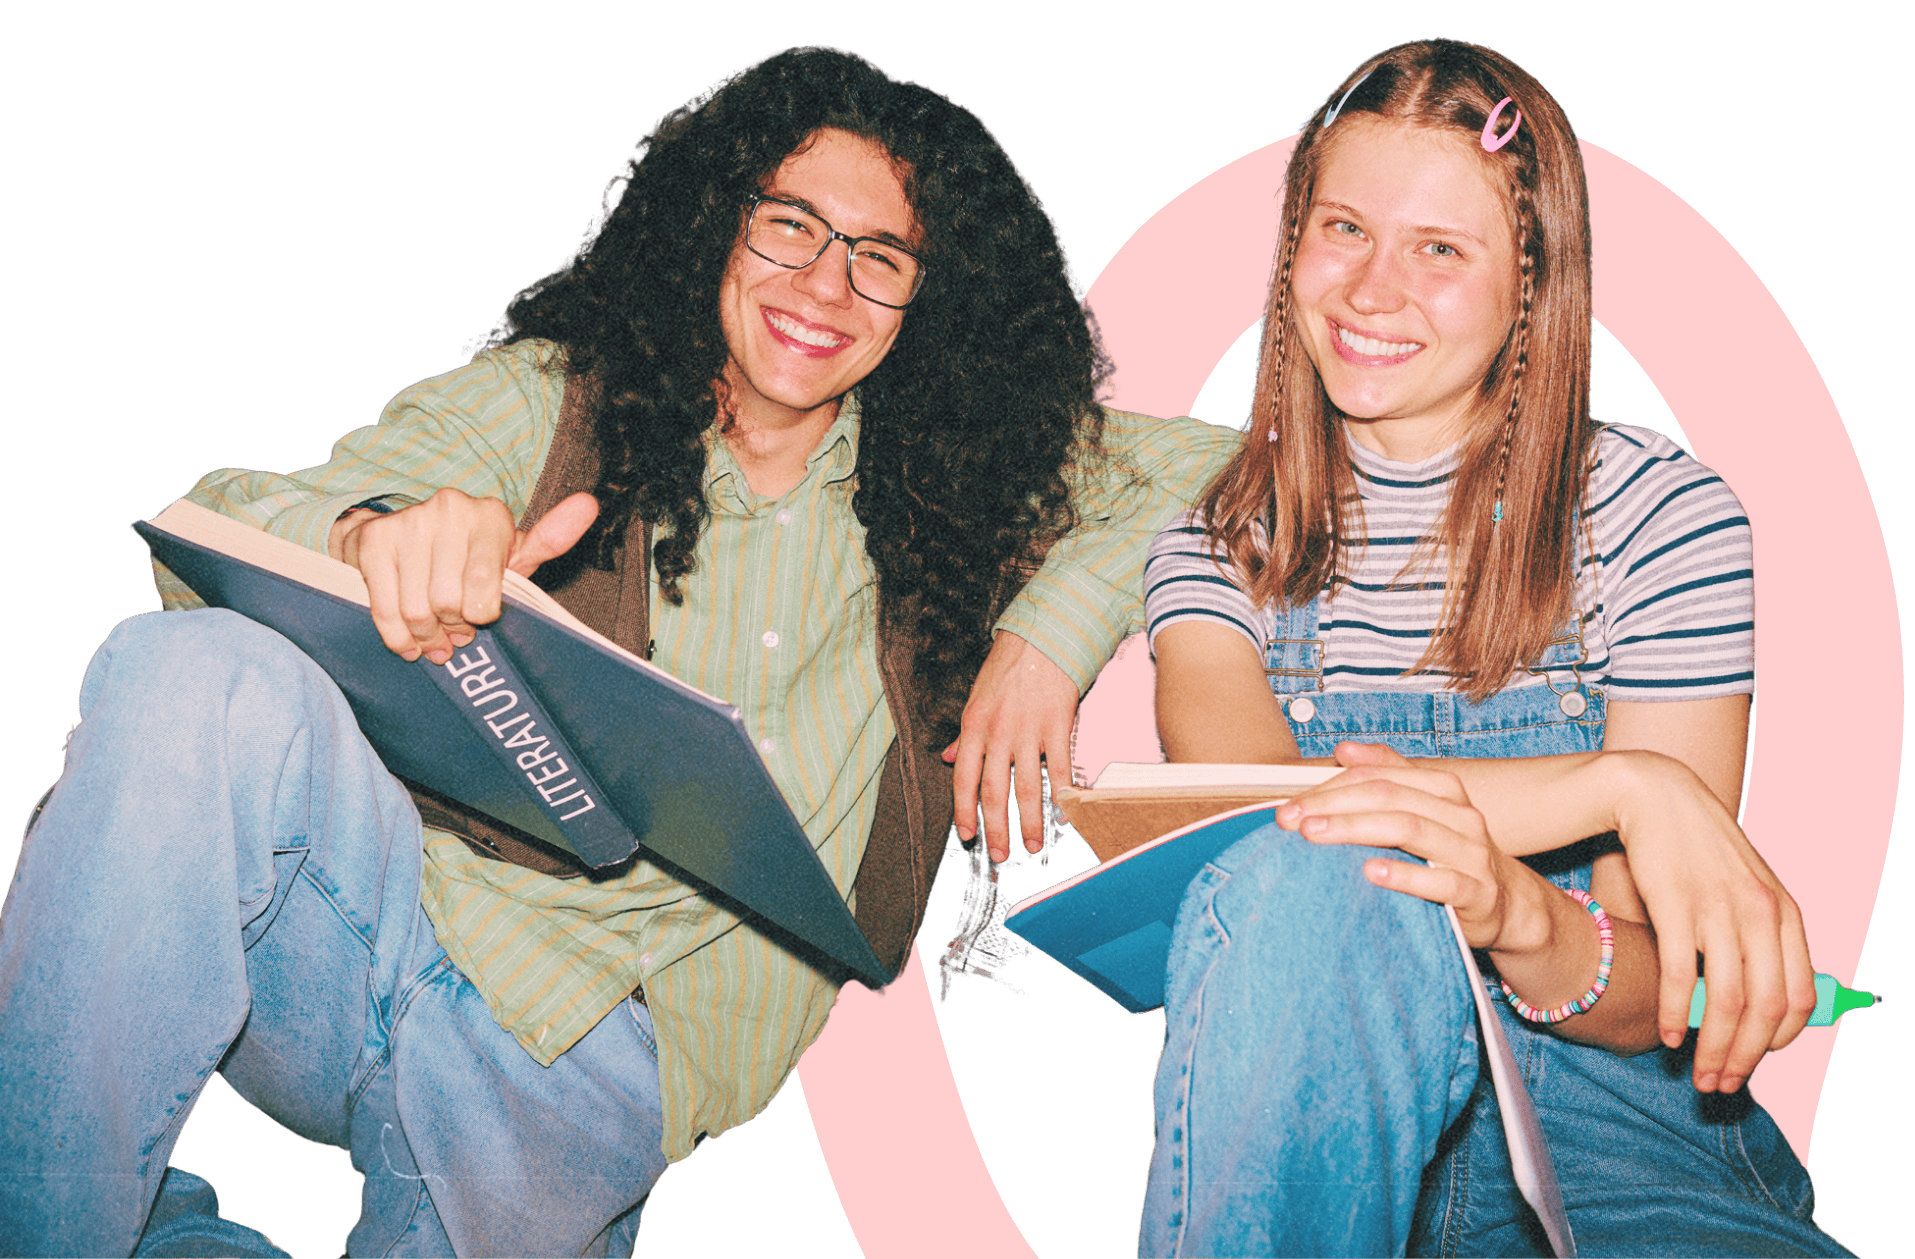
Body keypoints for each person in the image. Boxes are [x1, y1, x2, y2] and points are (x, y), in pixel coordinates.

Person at [0, 48, 1238, 1258]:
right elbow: (219, 526)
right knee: (192, 671)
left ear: (931, 301)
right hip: (370, 922)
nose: (825, 284)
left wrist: (1043, 634)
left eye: (881, 257)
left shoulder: (961, 488)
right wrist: (374, 533)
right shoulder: (552, 398)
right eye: (789, 225)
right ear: (715, 222)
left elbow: (1240, 462)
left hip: (607, 1060)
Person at [1139, 38, 1854, 1257]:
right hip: (1325, 1154)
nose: (1370, 289)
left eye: (1438, 248)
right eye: (1341, 228)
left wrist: (1518, 905)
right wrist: (1626, 784)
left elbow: (1645, 997)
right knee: (1310, 881)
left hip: (1624, 1150)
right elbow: (1275, 825)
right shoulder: (1219, 545)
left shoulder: (1658, 517)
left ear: (1530, 279)